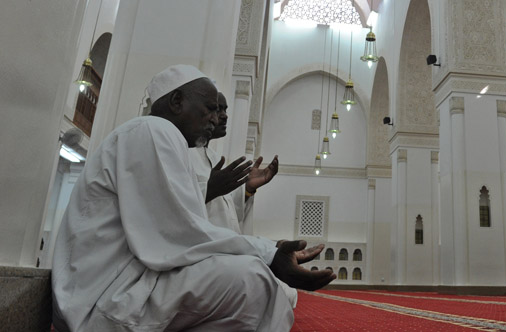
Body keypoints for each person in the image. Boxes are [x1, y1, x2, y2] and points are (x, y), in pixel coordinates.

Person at [52, 65, 334, 331]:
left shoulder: (163, 139)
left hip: (118, 284)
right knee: (253, 279)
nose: (215, 119)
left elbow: (181, 223)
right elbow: (179, 232)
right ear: (176, 101)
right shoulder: (154, 131)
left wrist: (268, 248)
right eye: (210, 109)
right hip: (105, 296)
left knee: (259, 281)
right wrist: (271, 253)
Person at [189, 91, 297, 306]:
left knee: (285, 293)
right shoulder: (184, 153)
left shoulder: (210, 156)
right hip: (200, 256)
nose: (224, 116)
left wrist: (247, 189)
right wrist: (209, 189)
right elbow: (175, 208)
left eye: (226, 110)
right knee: (268, 290)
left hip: (224, 253)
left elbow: (226, 212)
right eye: (217, 109)